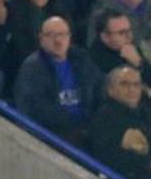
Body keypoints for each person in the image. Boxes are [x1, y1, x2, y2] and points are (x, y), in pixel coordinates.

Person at [13, 16, 103, 148]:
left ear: (69, 37)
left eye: (62, 34)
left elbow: (98, 88)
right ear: (41, 39)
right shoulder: (33, 67)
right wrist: (74, 120)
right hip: (55, 132)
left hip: (87, 126)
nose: (58, 40)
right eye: (51, 35)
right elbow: (35, 108)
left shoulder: (81, 59)